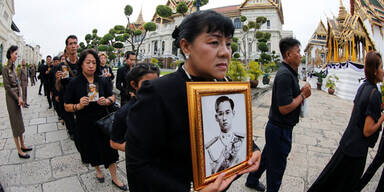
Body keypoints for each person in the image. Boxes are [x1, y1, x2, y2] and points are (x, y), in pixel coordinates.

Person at [124, 10, 261, 192]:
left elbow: (237, 128)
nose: (225, 52)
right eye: (214, 42)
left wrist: (251, 149)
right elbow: (138, 165)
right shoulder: (157, 92)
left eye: (228, 44)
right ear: (186, 47)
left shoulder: (225, 85)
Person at [308, 51, 384, 192]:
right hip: (357, 151)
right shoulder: (375, 94)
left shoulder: (363, 86)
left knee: (329, 179)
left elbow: (355, 112)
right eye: (381, 68)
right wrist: (381, 119)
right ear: (374, 71)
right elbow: (367, 131)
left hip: (347, 142)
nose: (383, 71)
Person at [245, 37, 312, 192]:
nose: (300, 55)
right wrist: (303, 96)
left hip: (277, 129)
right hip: (280, 130)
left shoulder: (290, 73)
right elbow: (285, 107)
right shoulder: (284, 76)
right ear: (288, 55)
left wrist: (300, 92)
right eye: (298, 52)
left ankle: (252, 180)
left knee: (268, 156)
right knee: (277, 169)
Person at [64, 49, 127, 191]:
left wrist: (107, 101)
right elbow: (66, 106)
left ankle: (115, 178)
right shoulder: (74, 83)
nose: (91, 65)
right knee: (91, 151)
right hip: (85, 123)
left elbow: (112, 97)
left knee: (110, 152)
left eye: (94, 62)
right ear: (81, 64)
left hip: (103, 122)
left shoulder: (103, 80)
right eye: (88, 62)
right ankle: (98, 170)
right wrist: (78, 105)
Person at [110, 63, 160, 152]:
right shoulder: (123, 113)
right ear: (134, 84)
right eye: (147, 84)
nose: (152, 88)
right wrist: (138, 149)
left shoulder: (161, 104)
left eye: (156, 83)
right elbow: (114, 143)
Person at [2, 45, 32, 159]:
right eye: (15, 53)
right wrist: (17, 97)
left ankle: (23, 145)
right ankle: (19, 150)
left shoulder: (14, 67)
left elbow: (18, 83)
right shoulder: (5, 68)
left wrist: (21, 97)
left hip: (17, 97)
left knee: (19, 121)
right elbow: (7, 87)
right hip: (11, 98)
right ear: (10, 54)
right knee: (15, 123)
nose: (17, 55)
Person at [205, 96, 246, 176]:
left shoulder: (242, 138)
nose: (224, 118)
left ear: (233, 113)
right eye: (220, 114)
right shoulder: (210, 146)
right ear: (216, 118)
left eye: (227, 112)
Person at [56, 35, 80, 140]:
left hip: (80, 97)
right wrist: (58, 79)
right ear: (66, 47)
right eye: (70, 44)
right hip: (67, 99)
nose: (73, 46)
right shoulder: (61, 65)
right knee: (71, 125)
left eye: (75, 43)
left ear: (78, 46)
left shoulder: (83, 63)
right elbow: (57, 86)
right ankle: (72, 132)